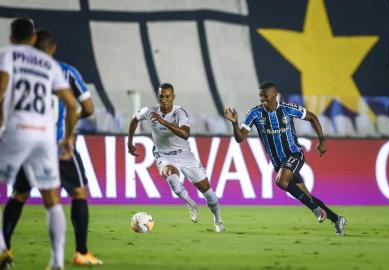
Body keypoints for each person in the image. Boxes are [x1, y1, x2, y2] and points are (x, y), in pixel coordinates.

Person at [2, 30, 103, 266]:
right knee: (78, 193)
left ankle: (6, 248)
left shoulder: (17, 69)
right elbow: (87, 107)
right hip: (57, 144)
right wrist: (70, 127)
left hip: (25, 140)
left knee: (20, 194)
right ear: (53, 49)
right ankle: (81, 252)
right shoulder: (64, 71)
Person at [224, 82, 347, 236]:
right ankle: (337, 219)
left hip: (294, 154)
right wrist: (235, 124)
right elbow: (240, 138)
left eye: (265, 95)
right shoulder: (255, 113)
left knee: (281, 181)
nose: (262, 99)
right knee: (307, 197)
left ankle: (316, 210)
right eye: (260, 95)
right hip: (279, 163)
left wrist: (322, 141)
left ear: (275, 95)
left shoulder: (288, 109)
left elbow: (313, 118)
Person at [127, 83, 225, 232]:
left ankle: (218, 220)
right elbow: (134, 119)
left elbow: (185, 134)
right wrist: (129, 141)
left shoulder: (180, 113)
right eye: (161, 96)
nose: (164, 100)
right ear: (158, 97)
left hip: (185, 157)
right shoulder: (149, 111)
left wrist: (163, 121)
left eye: (167, 96)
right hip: (164, 156)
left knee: (209, 194)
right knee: (171, 177)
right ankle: (191, 204)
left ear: (173, 97)